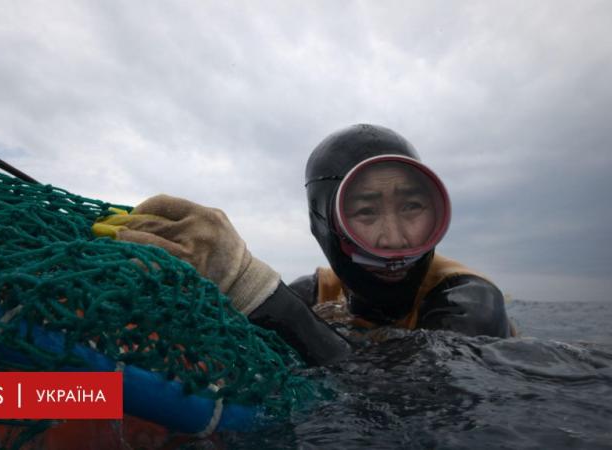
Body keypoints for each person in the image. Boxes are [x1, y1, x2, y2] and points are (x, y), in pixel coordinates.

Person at [93, 124, 514, 366]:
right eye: (366, 213)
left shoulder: (470, 301)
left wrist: (256, 291)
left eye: (412, 207)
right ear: (323, 223)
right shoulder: (316, 293)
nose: (396, 238)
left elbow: (408, 404)